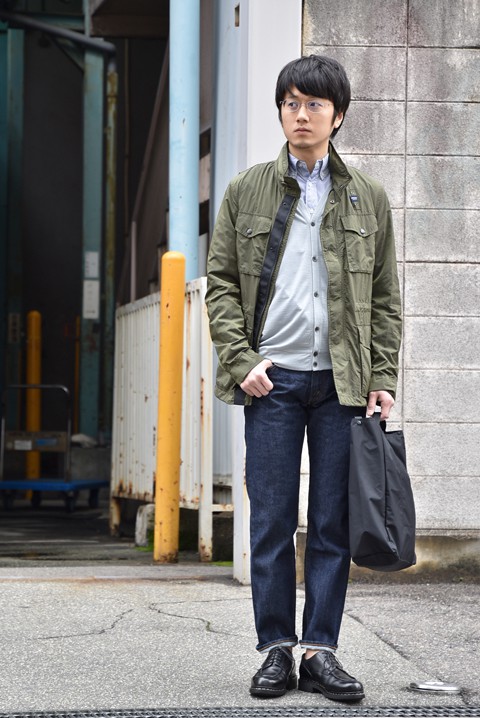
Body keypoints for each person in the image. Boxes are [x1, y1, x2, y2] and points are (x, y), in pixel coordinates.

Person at [205, 55, 402, 702]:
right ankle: (275, 650)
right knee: (270, 520)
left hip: (343, 385)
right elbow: (222, 286)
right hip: (274, 381)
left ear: (337, 116)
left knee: (331, 523)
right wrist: (243, 362)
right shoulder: (247, 190)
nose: (301, 114)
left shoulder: (367, 196)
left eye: (315, 104)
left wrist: (381, 375)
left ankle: (320, 650)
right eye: (291, 103)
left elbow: (385, 297)